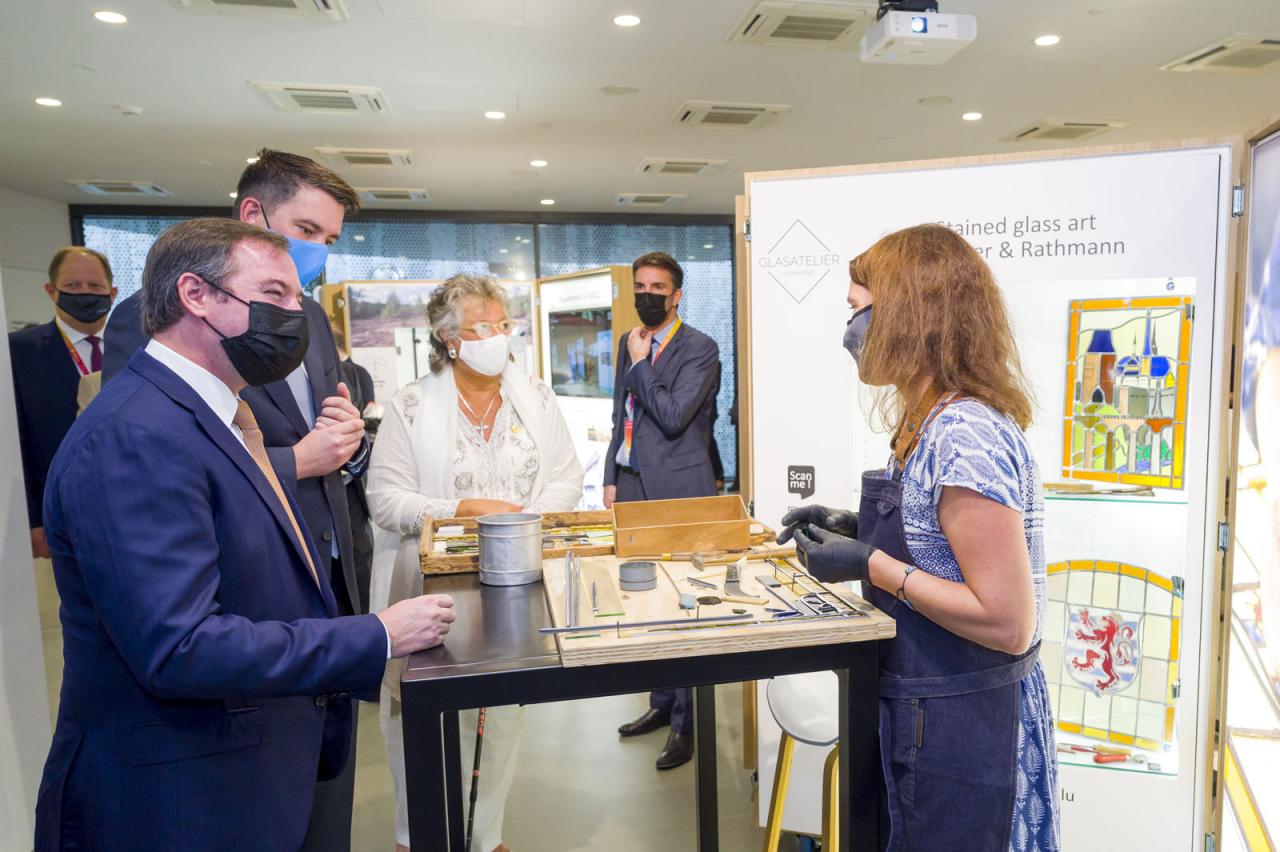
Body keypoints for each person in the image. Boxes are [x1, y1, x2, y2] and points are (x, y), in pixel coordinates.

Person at [34, 218, 456, 851]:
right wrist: (376, 634)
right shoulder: (137, 436)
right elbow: (181, 648)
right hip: (179, 801)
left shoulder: (216, 415)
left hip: (252, 770)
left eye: (297, 296)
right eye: (275, 295)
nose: (297, 315)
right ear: (195, 296)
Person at [103, 149, 369, 849]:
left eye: (330, 242)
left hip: (325, 595)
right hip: (241, 615)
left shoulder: (305, 320)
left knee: (320, 807)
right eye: (308, 230)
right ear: (253, 214)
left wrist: (348, 441)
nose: (317, 256)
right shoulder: (152, 327)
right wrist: (297, 460)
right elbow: (178, 455)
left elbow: (330, 432)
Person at [777, 224, 1059, 850]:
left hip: (963, 726)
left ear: (908, 314)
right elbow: (942, 546)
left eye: (857, 311)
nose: (849, 333)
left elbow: (1006, 620)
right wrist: (854, 528)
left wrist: (874, 564)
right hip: (927, 711)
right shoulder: (925, 423)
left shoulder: (963, 434)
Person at [367, 274, 583, 852]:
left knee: (502, 715)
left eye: (501, 325)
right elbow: (385, 500)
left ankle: (486, 837)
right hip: (431, 586)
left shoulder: (533, 395)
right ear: (448, 338)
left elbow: (566, 474)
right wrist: (463, 510)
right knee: (426, 719)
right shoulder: (411, 405)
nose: (494, 337)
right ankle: (420, 837)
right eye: (479, 327)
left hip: (516, 582)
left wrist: (527, 520)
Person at [602, 251, 721, 770]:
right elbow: (620, 418)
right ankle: (659, 703)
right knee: (644, 605)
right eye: (640, 285)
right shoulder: (630, 343)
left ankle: (686, 726)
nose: (647, 294)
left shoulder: (700, 349)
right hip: (631, 487)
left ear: (676, 296)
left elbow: (673, 417)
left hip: (679, 492)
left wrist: (638, 364)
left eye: (658, 287)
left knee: (684, 609)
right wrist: (610, 475)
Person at [9, 246, 117, 559]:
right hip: (56, 513)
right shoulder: (18, 352)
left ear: (112, 293)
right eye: (73, 286)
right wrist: (31, 518)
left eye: (95, 286)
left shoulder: (138, 347)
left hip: (128, 505)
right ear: (51, 290)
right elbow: (15, 442)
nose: (85, 294)